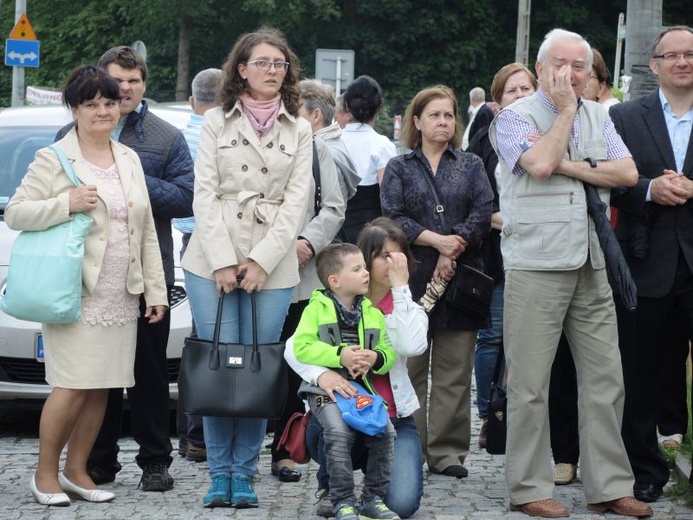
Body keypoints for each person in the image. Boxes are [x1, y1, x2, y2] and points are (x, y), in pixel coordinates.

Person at [489, 28, 652, 518]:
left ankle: (609, 485)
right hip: (536, 262)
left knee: (606, 380)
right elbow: (538, 164)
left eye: (580, 66)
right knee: (531, 385)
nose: (572, 74)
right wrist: (563, 115)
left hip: (593, 261)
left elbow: (625, 175)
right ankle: (529, 487)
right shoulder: (513, 118)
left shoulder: (600, 113)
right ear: (540, 69)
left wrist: (570, 164)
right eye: (561, 64)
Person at [5, 65, 168, 506]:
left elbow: (147, 229)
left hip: (122, 292)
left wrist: (155, 290)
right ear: (74, 109)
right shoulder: (54, 157)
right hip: (75, 293)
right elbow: (16, 213)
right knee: (72, 385)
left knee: (103, 385)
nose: (103, 111)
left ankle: (76, 471)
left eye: (110, 102)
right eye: (92, 104)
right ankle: (44, 475)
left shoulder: (128, 158)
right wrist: (66, 203)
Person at [180, 27, 312, 509]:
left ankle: (245, 473)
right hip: (210, 261)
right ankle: (219, 474)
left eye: (279, 64)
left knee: (257, 368)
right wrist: (222, 261)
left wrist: (259, 261)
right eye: (262, 63)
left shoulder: (300, 127)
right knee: (219, 368)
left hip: (271, 266)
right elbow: (204, 192)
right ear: (241, 68)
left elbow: (298, 202)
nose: (272, 71)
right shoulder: (216, 120)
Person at [56, 46, 195, 493]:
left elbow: (187, 197)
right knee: (100, 376)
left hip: (150, 271)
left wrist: (127, 178)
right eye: (117, 81)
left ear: (143, 83)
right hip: (92, 275)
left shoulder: (165, 136)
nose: (125, 89)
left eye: (133, 81)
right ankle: (98, 463)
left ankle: (155, 461)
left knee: (150, 373)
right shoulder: (70, 134)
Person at [381, 85, 493, 479]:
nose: (443, 121)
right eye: (434, 115)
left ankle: (446, 453)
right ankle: (409, 447)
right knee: (408, 370)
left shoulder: (471, 164)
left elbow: (483, 212)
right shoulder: (400, 167)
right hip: (409, 279)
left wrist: (453, 247)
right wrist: (436, 241)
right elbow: (392, 216)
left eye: (449, 115)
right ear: (417, 122)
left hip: (461, 281)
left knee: (454, 373)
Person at [285, 217, 427, 518]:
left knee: (401, 504)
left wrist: (401, 289)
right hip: (342, 407)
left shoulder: (402, 307)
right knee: (335, 430)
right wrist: (325, 371)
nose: (394, 262)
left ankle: (370, 497)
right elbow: (294, 348)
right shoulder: (326, 304)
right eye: (385, 256)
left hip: (392, 416)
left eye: (399, 254)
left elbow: (411, 347)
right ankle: (336, 492)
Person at [609, 25, 693, 502]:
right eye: (672, 55)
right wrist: (647, 188)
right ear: (654, 65)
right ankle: (644, 470)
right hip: (644, 259)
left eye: (690, 54)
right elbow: (605, 177)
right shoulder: (623, 116)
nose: (682, 61)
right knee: (637, 374)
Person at [267, 84, 347, 484]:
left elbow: (334, 206)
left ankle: (284, 449)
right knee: (251, 363)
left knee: (291, 363)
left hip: (298, 274)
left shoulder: (318, 150)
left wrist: (308, 242)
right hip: (253, 273)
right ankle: (235, 452)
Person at [291, 242, 399, 520]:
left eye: (365, 266)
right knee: (339, 433)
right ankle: (342, 501)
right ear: (334, 280)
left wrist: (374, 358)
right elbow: (301, 347)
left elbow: (389, 354)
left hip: (360, 389)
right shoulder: (315, 309)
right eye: (357, 268)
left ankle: (373, 499)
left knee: (385, 432)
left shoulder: (372, 313)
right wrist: (340, 355)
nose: (366, 273)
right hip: (323, 389)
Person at [466, 63, 537, 450]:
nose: (520, 95)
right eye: (512, 91)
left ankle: (524, 415)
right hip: (495, 254)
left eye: (527, 88)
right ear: (497, 101)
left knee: (529, 340)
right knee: (493, 336)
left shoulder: (549, 136)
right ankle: (488, 414)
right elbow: (474, 203)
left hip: (539, 253)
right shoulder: (483, 141)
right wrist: (510, 220)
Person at [173, 67, 223, 464]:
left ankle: (192, 435)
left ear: (193, 100)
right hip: (216, 242)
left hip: (179, 239)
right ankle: (204, 434)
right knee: (216, 339)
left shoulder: (176, 137)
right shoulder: (222, 136)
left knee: (198, 341)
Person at [339, 75, 397, 243]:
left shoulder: (331, 142)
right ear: (379, 108)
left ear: (347, 106)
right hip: (370, 236)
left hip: (333, 232)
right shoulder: (382, 145)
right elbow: (388, 197)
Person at [299, 79, 361, 204]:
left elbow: (327, 212)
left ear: (316, 115)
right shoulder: (335, 145)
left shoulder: (322, 154)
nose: (289, 119)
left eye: (295, 114)